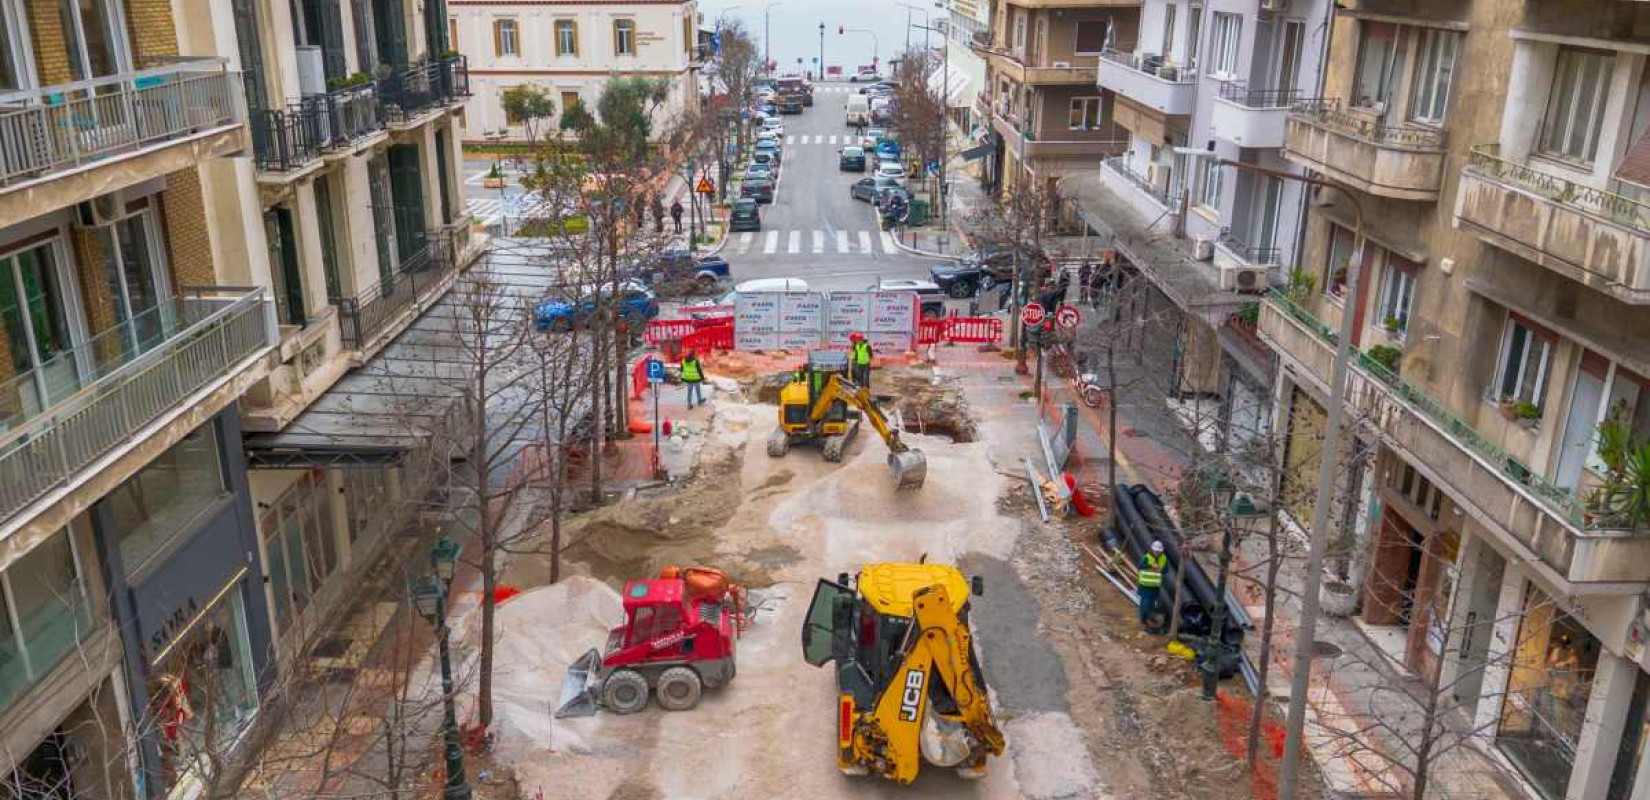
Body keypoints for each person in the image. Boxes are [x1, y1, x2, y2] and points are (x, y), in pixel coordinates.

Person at [1137, 540, 1168, 633]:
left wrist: (1160, 569)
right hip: (1145, 586)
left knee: (1151, 604)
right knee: (1144, 604)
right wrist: (1150, 566)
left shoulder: (1163, 559)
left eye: (1159, 551)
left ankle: (1149, 619)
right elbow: (1140, 566)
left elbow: (1166, 570)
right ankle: (1143, 621)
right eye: (1156, 551)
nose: (1157, 553)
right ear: (1152, 550)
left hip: (1154, 586)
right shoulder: (1146, 557)